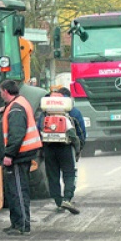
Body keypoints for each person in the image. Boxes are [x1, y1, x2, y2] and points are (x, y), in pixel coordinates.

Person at [0, 79, 42, 235]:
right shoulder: (15, 105)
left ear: (5, 91)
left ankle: (22, 224)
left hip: (18, 156)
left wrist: (9, 154)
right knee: (13, 190)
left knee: (19, 190)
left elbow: (16, 134)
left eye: (1, 91)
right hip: (20, 154)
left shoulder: (16, 108)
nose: (0, 94)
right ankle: (16, 223)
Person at [38, 86, 86, 215]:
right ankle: (67, 198)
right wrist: (79, 148)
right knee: (69, 173)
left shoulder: (45, 113)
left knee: (53, 176)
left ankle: (58, 202)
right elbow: (81, 132)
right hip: (66, 147)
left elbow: (39, 129)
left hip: (49, 147)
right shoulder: (73, 112)